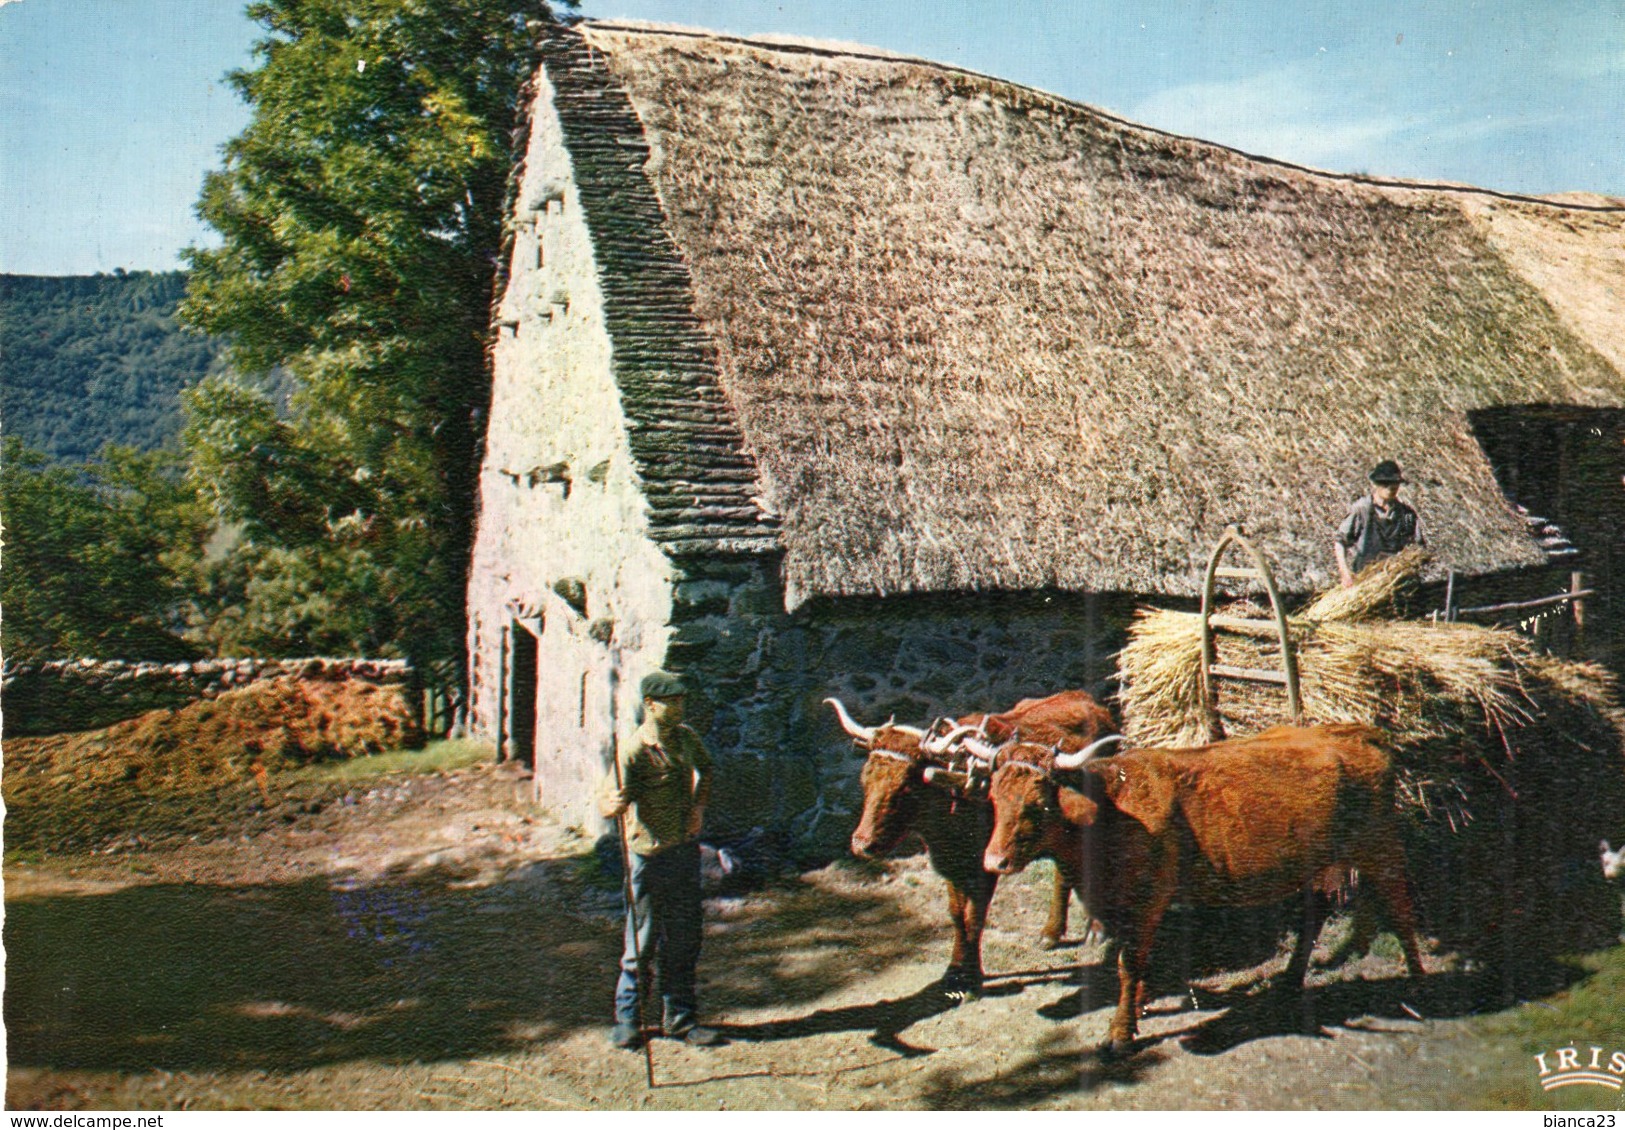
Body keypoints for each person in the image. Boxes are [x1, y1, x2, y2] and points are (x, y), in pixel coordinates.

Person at [599, 670, 722, 1049]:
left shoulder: (686, 739)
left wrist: (698, 808)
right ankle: (629, 1020)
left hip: (683, 852)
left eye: (682, 700)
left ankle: (681, 1020)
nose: (680, 706)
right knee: (643, 940)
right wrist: (615, 804)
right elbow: (606, 800)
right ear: (650, 704)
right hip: (648, 856)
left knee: (684, 938)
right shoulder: (633, 749)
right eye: (672, 701)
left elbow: (709, 769)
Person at [1335, 459, 1426, 588]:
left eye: (1395, 483)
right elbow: (1340, 542)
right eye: (1385, 483)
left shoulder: (1406, 514)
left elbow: (1417, 547)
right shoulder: (1362, 509)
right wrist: (1345, 574)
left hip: (1395, 581)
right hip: (1365, 580)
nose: (1391, 487)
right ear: (1375, 484)